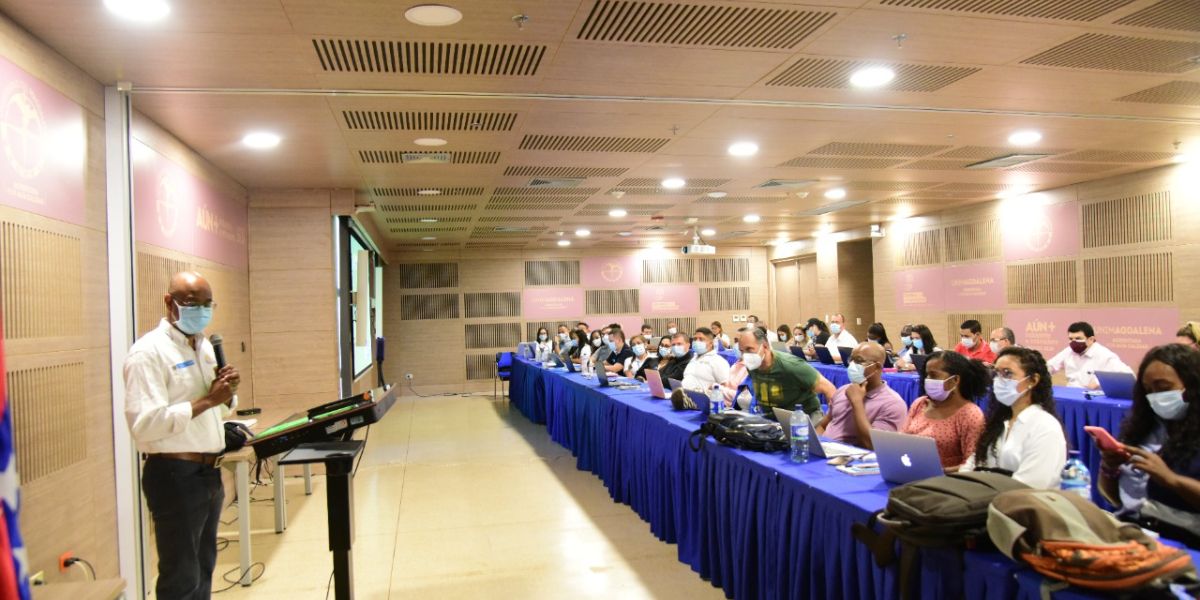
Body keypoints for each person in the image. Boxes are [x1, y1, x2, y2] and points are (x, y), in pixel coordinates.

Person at [124, 271, 240, 599]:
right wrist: (207, 400)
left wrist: (227, 394)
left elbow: (221, 410)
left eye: (207, 304)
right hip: (175, 475)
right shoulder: (148, 353)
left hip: (209, 472)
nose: (200, 311)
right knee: (181, 576)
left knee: (203, 567)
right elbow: (144, 424)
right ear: (169, 302)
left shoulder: (203, 346)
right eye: (191, 303)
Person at [1098, 345, 1200, 539]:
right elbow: (1114, 499)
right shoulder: (1142, 429)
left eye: (1163, 388)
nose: (1156, 397)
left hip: (1185, 540)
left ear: (1192, 385)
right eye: (1148, 390)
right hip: (1132, 532)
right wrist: (1109, 467)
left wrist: (1171, 480)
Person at [964, 346, 1067, 489]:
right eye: (997, 373)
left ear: (1033, 380)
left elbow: (1030, 485)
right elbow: (972, 465)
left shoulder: (1045, 426)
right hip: (983, 500)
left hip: (1024, 505)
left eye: (1007, 374)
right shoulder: (998, 422)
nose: (999, 380)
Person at [901, 351, 987, 471]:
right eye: (926, 375)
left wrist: (938, 472)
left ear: (955, 380)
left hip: (946, 482)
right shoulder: (920, 404)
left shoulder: (970, 414)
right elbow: (901, 442)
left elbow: (972, 465)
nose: (927, 380)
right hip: (910, 472)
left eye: (933, 375)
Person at [815, 342, 907, 449]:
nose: (852, 365)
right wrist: (815, 445)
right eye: (851, 360)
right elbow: (823, 425)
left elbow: (873, 445)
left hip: (852, 460)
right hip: (825, 451)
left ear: (877, 367)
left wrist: (857, 403)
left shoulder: (893, 404)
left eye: (859, 361)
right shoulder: (843, 390)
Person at [738, 327, 836, 422]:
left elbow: (829, 389)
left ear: (765, 346)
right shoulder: (752, 365)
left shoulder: (790, 366)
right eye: (741, 351)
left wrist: (827, 423)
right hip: (773, 419)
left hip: (803, 419)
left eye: (749, 349)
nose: (744, 356)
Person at [1046, 321, 1133, 389]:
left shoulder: (1104, 355)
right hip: (1071, 395)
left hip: (1093, 398)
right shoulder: (1068, 351)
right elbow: (1050, 366)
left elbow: (1128, 375)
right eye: (1071, 339)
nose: (1074, 342)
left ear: (1091, 339)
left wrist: (1099, 381)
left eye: (1078, 338)